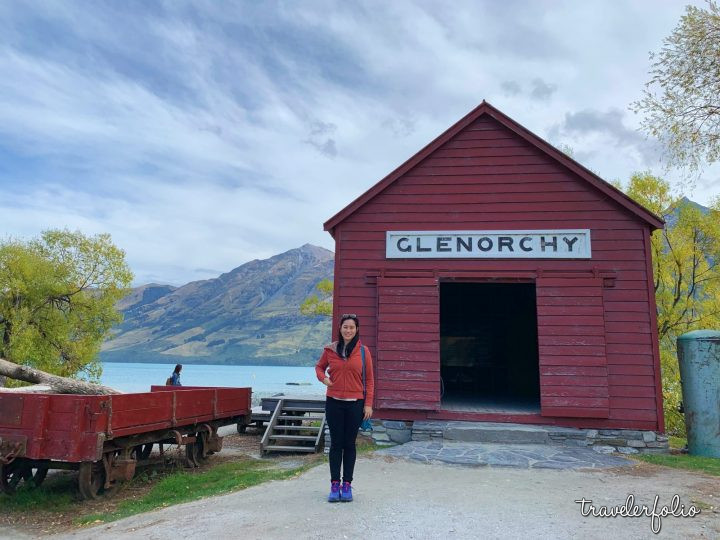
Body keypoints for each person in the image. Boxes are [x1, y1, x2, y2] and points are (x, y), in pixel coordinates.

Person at [315, 314, 374, 503]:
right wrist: (323, 378)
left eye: (352, 327)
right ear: (340, 329)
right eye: (345, 327)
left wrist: (368, 404)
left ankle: (347, 485)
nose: (348, 330)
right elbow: (319, 367)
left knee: (349, 444)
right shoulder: (330, 350)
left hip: (355, 404)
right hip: (334, 402)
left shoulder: (364, 352)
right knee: (335, 444)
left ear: (357, 330)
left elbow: (370, 380)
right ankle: (334, 485)